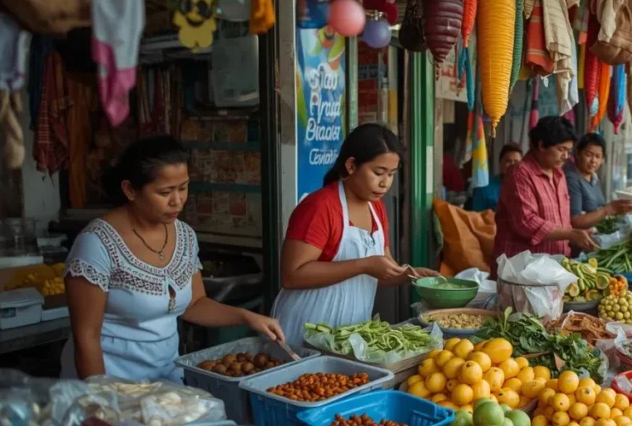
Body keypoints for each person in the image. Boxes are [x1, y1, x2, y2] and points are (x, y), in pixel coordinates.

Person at [61, 135, 285, 382]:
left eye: (183, 187)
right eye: (165, 192)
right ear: (130, 190)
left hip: (165, 379)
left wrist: (247, 317)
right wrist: (101, 400)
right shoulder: (97, 243)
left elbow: (194, 304)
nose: (177, 200)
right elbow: (86, 338)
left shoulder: (185, 235)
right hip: (111, 381)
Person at [272, 124, 438, 347]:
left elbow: (380, 270)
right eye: (378, 173)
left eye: (391, 174)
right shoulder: (320, 207)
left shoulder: (376, 209)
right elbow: (292, 276)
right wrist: (364, 265)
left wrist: (411, 275)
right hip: (304, 329)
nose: (385, 183)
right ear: (351, 165)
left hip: (349, 335)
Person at [492, 116, 596, 262]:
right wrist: (570, 234)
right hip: (522, 270)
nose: (566, 156)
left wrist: (576, 236)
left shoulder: (559, 174)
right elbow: (526, 222)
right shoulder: (519, 174)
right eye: (561, 149)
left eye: (569, 151)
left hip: (554, 265)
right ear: (541, 145)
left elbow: (561, 222)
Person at [565, 133, 632, 227]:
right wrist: (610, 208)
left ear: (603, 160)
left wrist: (622, 208)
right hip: (583, 238)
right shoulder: (572, 179)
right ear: (577, 153)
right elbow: (575, 221)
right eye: (588, 155)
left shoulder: (594, 177)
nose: (593, 161)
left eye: (598, 156)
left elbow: (599, 208)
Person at [471, 143, 523, 212]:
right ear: (500, 163)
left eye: (516, 162)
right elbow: (476, 217)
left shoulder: (526, 188)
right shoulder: (484, 186)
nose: (512, 165)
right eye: (508, 161)